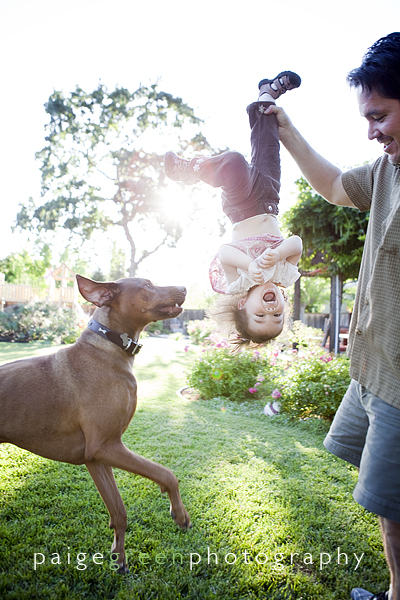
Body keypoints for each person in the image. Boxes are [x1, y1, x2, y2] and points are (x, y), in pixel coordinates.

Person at [265, 33, 400, 600]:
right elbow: (332, 185)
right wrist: (285, 128)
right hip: (375, 369)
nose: (372, 132)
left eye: (380, 116)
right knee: (391, 507)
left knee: (394, 507)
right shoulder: (388, 170)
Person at [164, 72, 303, 347]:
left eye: (260, 315)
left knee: (234, 162)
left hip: (242, 206)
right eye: (277, 316)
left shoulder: (239, 282)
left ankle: (190, 170)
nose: (270, 310)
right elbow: (297, 244)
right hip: (270, 197)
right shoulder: (284, 276)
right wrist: (278, 253)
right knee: (267, 143)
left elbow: (225, 253)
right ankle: (267, 94)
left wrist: (250, 264)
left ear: (242, 304)